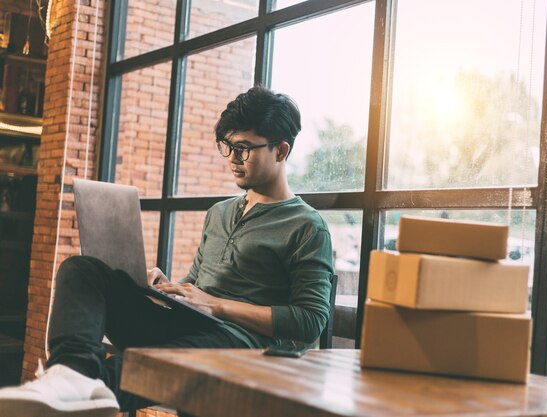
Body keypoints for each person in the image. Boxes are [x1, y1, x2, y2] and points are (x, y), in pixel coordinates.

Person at [0, 85, 334, 417]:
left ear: (281, 151)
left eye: (244, 149)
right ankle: (70, 374)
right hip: (188, 325)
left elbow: (310, 320)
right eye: (228, 146)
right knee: (81, 269)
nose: (233, 159)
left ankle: (80, 391)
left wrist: (219, 307)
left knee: (157, 363)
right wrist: (166, 288)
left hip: (243, 346)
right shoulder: (219, 213)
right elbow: (198, 286)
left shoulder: (306, 225)